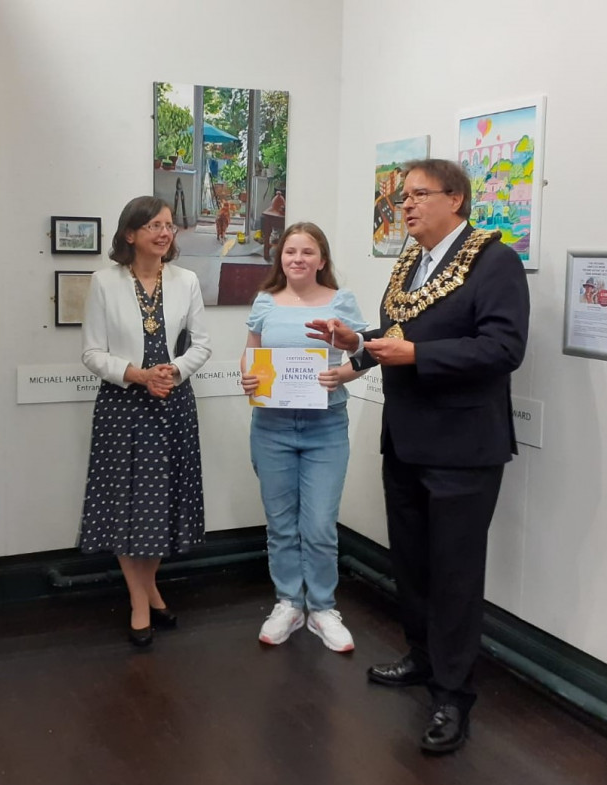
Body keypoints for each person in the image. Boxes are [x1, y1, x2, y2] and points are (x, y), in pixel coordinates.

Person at [307, 158, 529, 754]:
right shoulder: (409, 261)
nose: (403, 206)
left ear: (455, 199)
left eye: (417, 195)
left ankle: (453, 699)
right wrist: (355, 348)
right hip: (405, 439)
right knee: (411, 562)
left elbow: (504, 347)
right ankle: (424, 659)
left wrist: (418, 356)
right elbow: (391, 336)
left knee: (455, 573)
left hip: (461, 447)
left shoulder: (496, 261)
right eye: (402, 196)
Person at [80, 195, 212, 647]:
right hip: (123, 404)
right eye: (153, 225)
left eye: (169, 225)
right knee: (126, 502)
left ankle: (149, 586)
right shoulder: (103, 281)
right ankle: (141, 599)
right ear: (129, 234)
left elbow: (202, 344)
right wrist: (136, 375)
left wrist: (173, 371)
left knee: (163, 500)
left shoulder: (187, 280)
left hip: (172, 401)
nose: (163, 232)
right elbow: (92, 353)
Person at [240, 222, 368, 652]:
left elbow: (362, 354)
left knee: (317, 525)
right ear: (280, 258)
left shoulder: (340, 301)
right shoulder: (265, 301)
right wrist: (247, 376)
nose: (298, 259)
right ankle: (289, 603)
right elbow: (251, 347)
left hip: (325, 427)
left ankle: (323, 609)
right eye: (290, 251)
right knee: (280, 524)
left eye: (307, 252)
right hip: (272, 427)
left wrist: (342, 374)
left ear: (322, 260)